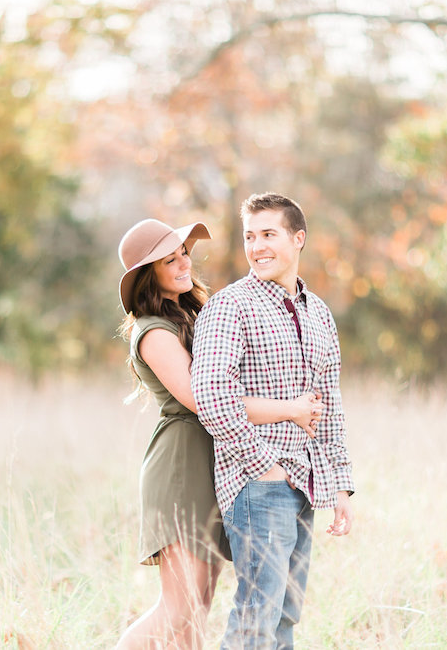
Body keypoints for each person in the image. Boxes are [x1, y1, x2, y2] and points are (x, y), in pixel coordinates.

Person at [115, 218, 326, 650]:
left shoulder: (192, 314)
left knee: (198, 610)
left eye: (183, 254)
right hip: (182, 463)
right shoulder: (153, 330)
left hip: (216, 459)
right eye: (168, 260)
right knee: (179, 608)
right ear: (147, 275)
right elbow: (205, 399)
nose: (182, 264)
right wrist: (289, 409)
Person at [191, 193, 355, 649]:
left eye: (269, 234)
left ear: (298, 239)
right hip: (257, 483)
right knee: (256, 614)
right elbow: (211, 396)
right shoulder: (230, 307)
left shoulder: (319, 313)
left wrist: (339, 484)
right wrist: (263, 465)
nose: (257, 246)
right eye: (249, 236)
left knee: (285, 614)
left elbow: (330, 405)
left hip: (306, 482)